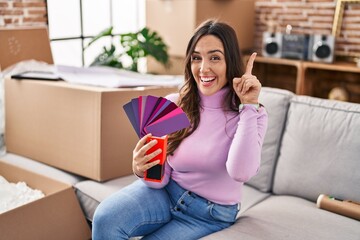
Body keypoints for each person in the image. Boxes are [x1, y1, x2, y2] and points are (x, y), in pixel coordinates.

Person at [92, 19, 268, 240]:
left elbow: (240, 172)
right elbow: (160, 179)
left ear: (230, 61)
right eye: (196, 58)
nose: (203, 68)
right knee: (105, 219)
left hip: (209, 214)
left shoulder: (252, 114)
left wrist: (249, 106)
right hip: (166, 193)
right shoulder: (173, 104)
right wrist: (141, 167)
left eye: (215, 57)